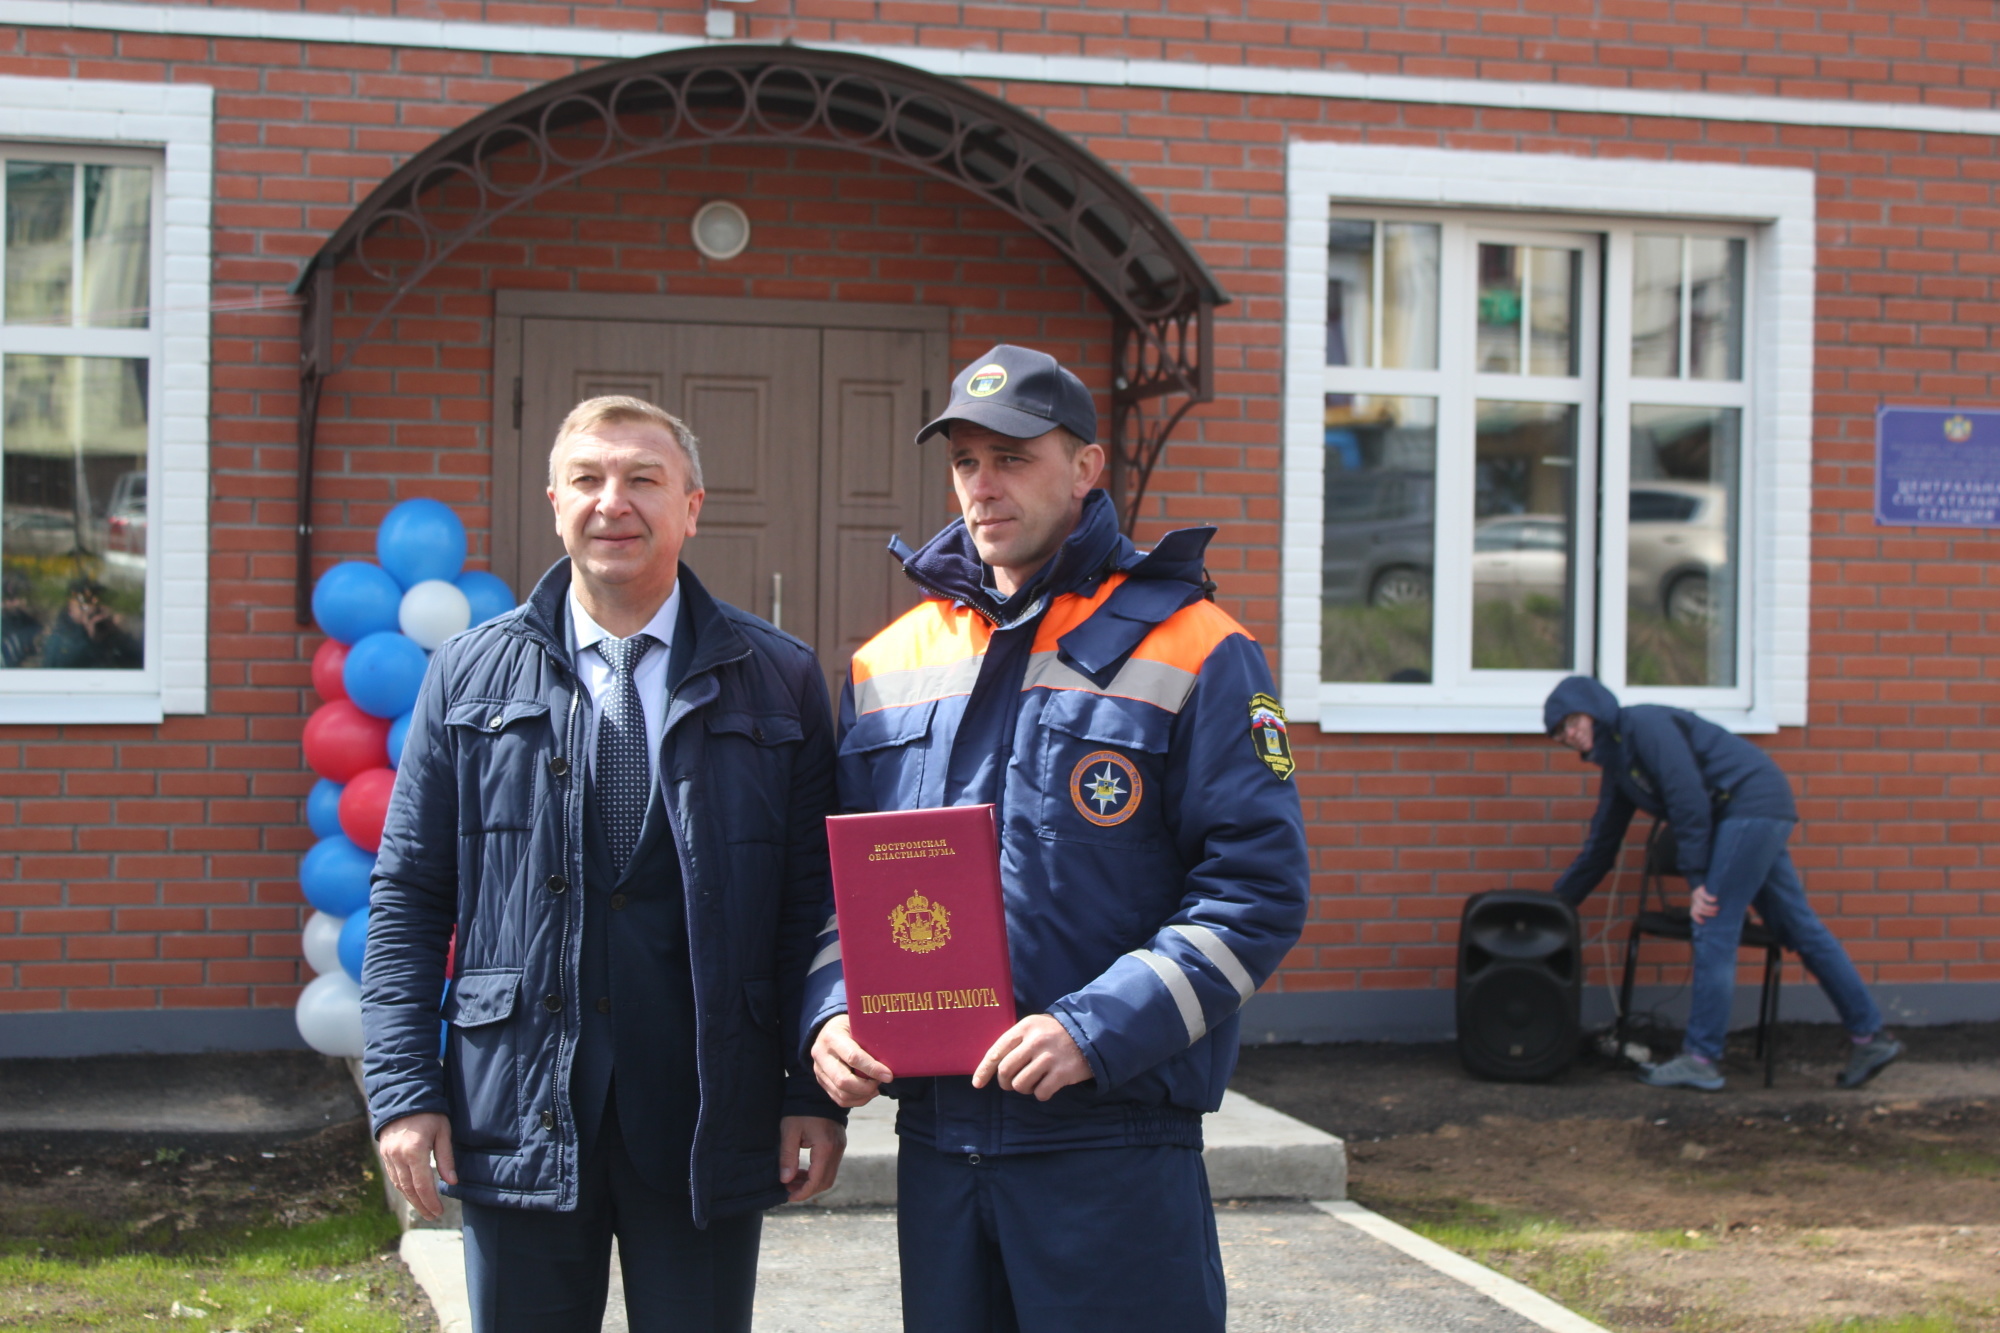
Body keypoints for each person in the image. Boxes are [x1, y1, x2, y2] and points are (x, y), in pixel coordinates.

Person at [804, 344, 1310, 1332]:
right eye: (964, 462)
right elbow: (835, 887)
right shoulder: (887, 660)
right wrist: (829, 1013)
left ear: (1083, 470)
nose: (982, 486)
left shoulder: (1196, 644)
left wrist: (1095, 1028)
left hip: (1110, 1137)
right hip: (941, 1144)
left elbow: (1255, 891)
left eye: (1013, 457)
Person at [361, 396, 847, 1333]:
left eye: (643, 479)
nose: (612, 501)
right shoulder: (469, 674)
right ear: (554, 501)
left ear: (692, 506)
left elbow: (810, 906)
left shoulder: (777, 677)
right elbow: (409, 896)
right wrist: (405, 1091)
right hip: (518, 1111)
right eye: (588, 478)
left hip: (707, 1115)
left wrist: (806, 1091)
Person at [1543, 675, 1902, 1092]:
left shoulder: (1644, 725)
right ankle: (1870, 1037)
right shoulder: (1619, 769)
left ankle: (1701, 1057)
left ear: (1594, 707)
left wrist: (1697, 878)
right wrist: (1555, 905)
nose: (1568, 736)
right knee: (1799, 928)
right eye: (1558, 734)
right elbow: (1601, 846)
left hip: (1749, 803)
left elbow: (1688, 796)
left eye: (1570, 722)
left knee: (1712, 923)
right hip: (1748, 814)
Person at [39, 576, 139, 669]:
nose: (92, 607)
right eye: (84, 602)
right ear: (70, 606)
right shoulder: (61, 636)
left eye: (98, 600)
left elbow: (138, 662)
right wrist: (89, 639)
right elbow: (59, 667)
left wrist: (120, 634)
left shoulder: (108, 631)